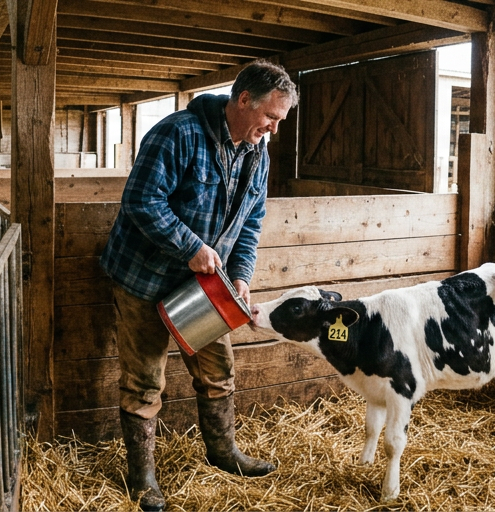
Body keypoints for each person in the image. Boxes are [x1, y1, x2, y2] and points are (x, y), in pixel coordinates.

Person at [100, 61, 297, 511]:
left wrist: (242, 275)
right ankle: (142, 477)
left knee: (217, 370)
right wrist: (189, 245)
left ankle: (223, 452)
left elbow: (251, 222)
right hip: (143, 279)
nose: (273, 128)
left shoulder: (256, 152)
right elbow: (139, 200)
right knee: (144, 379)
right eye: (271, 116)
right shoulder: (178, 134)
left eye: (279, 121)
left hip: (206, 285)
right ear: (244, 99)